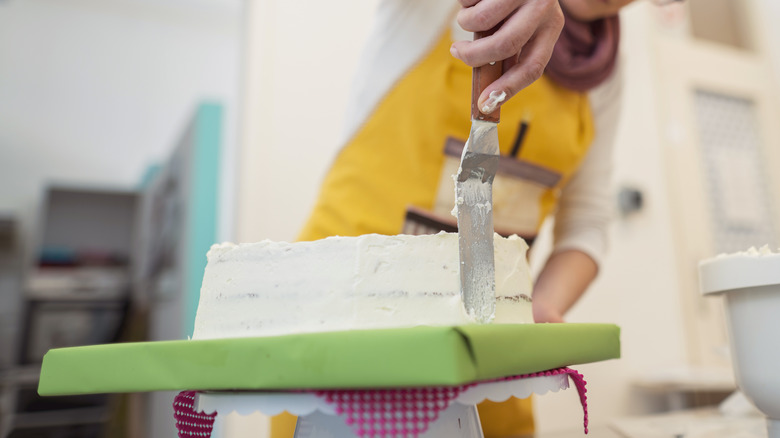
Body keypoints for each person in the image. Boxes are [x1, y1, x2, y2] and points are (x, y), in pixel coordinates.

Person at [273, 0, 636, 436]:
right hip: (345, 320)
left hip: (487, 358)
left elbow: (587, 222)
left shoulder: (605, 70)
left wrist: (543, 306)